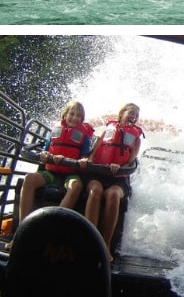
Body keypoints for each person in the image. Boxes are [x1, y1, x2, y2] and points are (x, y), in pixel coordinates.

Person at [82, 103, 143, 261]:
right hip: (98, 174)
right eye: (131, 113)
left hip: (118, 179)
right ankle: (90, 239)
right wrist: (88, 160)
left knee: (113, 195)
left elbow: (131, 161)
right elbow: (93, 154)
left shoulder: (135, 138)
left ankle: (105, 245)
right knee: (96, 191)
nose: (134, 116)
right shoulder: (107, 130)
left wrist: (120, 166)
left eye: (137, 114)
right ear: (122, 113)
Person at [17, 101, 94, 225]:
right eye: (72, 114)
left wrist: (84, 159)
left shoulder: (84, 136)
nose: (74, 118)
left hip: (70, 175)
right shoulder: (56, 130)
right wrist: (45, 154)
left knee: (76, 186)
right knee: (29, 179)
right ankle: (22, 228)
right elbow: (46, 149)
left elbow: (85, 155)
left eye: (78, 116)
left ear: (82, 119)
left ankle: (52, 225)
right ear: (65, 115)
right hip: (51, 173)